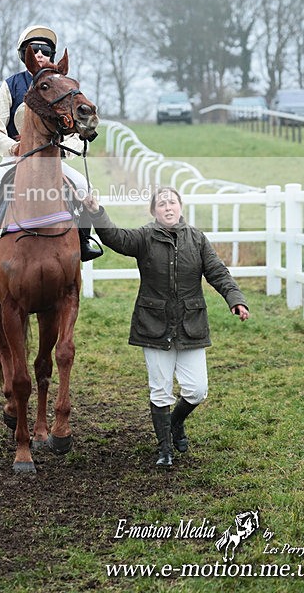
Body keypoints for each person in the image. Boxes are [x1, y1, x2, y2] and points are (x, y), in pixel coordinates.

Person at [84, 186, 250, 469]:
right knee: (160, 390)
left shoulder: (196, 239)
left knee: (197, 390)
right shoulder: (144, 237)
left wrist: (235, 298)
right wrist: (97, 213)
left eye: (172, 202)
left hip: (190, 324)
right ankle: (165, 450)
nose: (168, 207)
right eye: (162, 204)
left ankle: (174, 424)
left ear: (181, 207)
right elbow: (115, 237)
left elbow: (217, 272)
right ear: (154, 211)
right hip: (154, 324)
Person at [0, 24, 103, 262]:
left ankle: (83, 240)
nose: (40, 54)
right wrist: (13, 148)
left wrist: (67, 149)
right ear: (24, 54)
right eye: (34, 49)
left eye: (45, 50)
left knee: (82, 186)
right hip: (14, 157)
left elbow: (72, 127)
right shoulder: (11, 85)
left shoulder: (61, 86)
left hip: (51, 159)